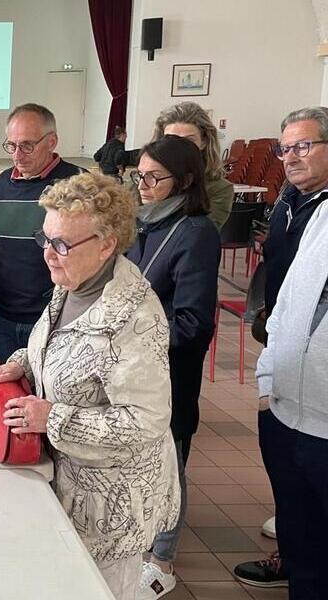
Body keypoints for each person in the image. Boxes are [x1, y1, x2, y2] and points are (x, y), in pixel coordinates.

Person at [0, 172, 179, 600]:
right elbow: (57, 351)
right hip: (68, 486)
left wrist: (51, 417)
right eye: (46, 239)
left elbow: (146, 421)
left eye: (62, 244)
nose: (49, 255)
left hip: (112, 508)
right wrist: (20, 365)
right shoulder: (73, 283)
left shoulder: (134, 317)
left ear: (108, 243)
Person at [233, 106, 328, 591]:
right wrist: (270, 379)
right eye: (284, 148)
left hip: (321, 400)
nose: (290, 157)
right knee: (294, 504)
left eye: (304, 146)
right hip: (286, 381)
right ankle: (290, 563)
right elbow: (287, 295)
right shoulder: (294, 202)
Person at [125, 136, 221, 599]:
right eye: (138, 175)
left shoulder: (195, 231)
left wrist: (131, 339)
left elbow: (193, 322)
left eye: (153, 177)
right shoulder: (147, 222)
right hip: (135, 372)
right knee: (143, 462)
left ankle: (162, 561)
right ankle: (140, 546)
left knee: (169, 465)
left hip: (168, 373)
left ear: (184, 180)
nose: (142, 185)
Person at [251, 189, 328, 599]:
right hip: (285, 415)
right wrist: (267, 383)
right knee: (303, 554)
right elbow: (284, 304)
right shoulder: (322, 217)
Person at [0, 103, 83, 363]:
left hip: (55, 318)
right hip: (3, 317)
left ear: (51, 141)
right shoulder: (2, 184)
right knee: (13, 395)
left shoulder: (78, 183)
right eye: (11, 145)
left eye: (27, 145)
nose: (17, 154)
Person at [151, 102, 234, 230]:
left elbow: (197, 235)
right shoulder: (143, 179)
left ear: (204, 142)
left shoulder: (219, 189)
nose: (178, 148)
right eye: (170, 140)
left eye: (189, 141)